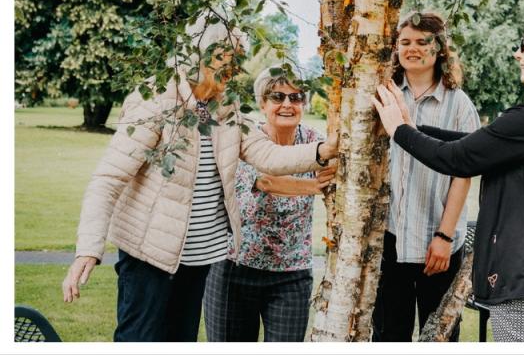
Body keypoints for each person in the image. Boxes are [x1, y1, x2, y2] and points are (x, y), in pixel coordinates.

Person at [61, 17, 338, 342]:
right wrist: (88, 249)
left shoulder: (224, 107)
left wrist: (324, 150)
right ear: (203, 54)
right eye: (230, 58)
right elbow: (107, 179)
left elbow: (267, 156)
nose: (235, 69)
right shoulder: (157, 100)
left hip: (198, 260)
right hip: (151, 258)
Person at [372, 13, 524, 342]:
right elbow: (472, 146)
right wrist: (415, 128)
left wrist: (400, 130)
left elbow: (458, 159)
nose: (517, 54)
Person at [203, 66, 335, 342]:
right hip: (234, 267)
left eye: (296, 97)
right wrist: (314, 186)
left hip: (291, 273)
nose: (288, 104)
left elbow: (335, 172)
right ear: (263, 103)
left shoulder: (313, 141)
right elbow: (265, 180)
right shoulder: (244, 136)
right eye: (278, 97)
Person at [371, 12, 480, 342]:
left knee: (440, 338)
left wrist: (445, 237)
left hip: (438, 242)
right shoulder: (384, 97)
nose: (412, 49)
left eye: (422, 42)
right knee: (389, 335)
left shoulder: (459, 105)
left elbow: (464, 175)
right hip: (390, 240)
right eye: (405, 42)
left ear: (440, 50)